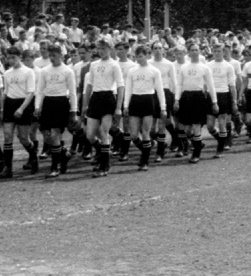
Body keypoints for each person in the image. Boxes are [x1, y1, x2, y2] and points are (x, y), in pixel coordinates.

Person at [82, 39, 124, 176]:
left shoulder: (114, 65)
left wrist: (118, 107)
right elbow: (89, 85)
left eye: (104, 49)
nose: (101, 51)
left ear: (110, 49)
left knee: (103, 132)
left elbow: (120, 86)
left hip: (108, 98)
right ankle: (102, 152)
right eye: (99, 48)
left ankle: (104, 166)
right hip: (95, 98)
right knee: (90, 136)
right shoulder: (93, 65)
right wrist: (85, 105)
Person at [36, 44, 77, 178]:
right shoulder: (44, 71)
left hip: (61, 103)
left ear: (61, 55)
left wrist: (74, 111)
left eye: (54, 55)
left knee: (55, 134)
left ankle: (55, 167)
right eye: (50, 55)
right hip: (48, 103)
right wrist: (37, 106)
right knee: (47, 135)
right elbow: (40, 90)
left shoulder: (67, 71)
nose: (51, 58)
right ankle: (63, 154)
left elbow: (72, 92)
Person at [123, 44, 165, 171]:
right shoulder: (132, 70)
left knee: (146, 132)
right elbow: (128, 89)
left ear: (147, 56)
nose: (138, 59)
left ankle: (144, 160)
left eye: (141, 56)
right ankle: (146, 150)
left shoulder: (154, 71)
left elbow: (160, 90)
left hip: (148, 100)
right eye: (136, 56)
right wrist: (126, 105)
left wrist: (163, 107)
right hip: (135, 100)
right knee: (134, 135)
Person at [0, 47, 38, 178]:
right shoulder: (8, 73)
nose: (11, 60)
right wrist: (3, 108)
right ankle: (8, 168)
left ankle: (33, 157)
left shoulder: (28, 72)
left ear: (19, 57)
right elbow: (5, 92)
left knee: (23, 138)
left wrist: (21, 108)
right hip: (10, 104)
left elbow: (31, 92)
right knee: (8, 136)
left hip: (24, 104)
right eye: (8, 58)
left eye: (13, 58)